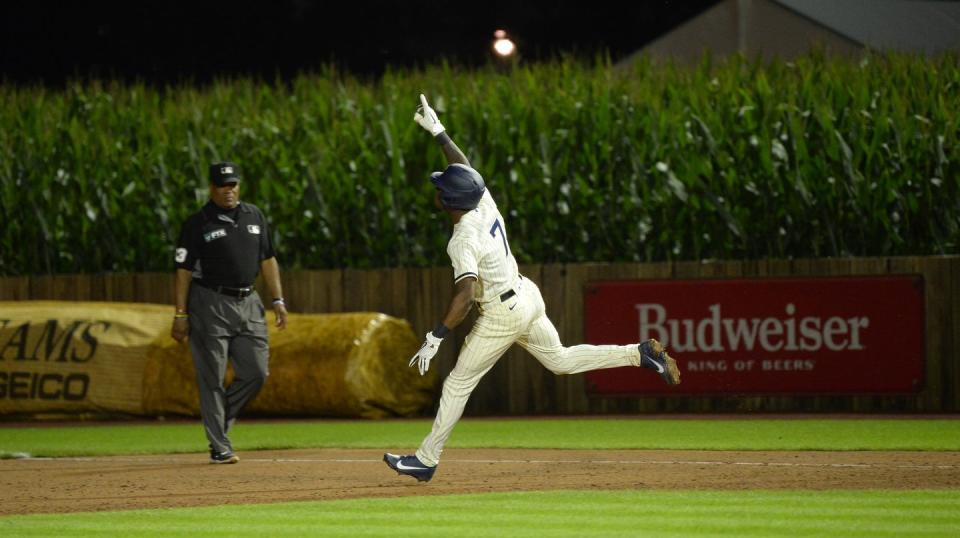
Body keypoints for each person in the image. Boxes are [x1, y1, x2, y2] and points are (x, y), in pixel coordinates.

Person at [384, 95, 681, 482]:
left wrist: (436, 336)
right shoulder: (482, 202)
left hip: (501, 313)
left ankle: (426, 459)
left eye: (440, 187)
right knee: (559, 360)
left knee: (458, 382)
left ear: (448, 201)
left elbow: (466, 295)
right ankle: (637, 354)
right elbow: (464, 169)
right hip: (526, 295)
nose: (437, 188)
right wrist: (439, 132)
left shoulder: (461, 239)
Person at [171, 161, 288, 464]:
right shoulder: (198, 223)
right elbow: (183, 271)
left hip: (249, 301)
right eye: (223, 185)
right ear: (211, 188)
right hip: (210, 301)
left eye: (233, 184)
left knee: (256, 373)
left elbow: (268, 259)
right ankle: (220, 446)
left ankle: (218, 423)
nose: (229, 190)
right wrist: (181, 314)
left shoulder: (254, 216)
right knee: (212, 376)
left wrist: (278, 299)